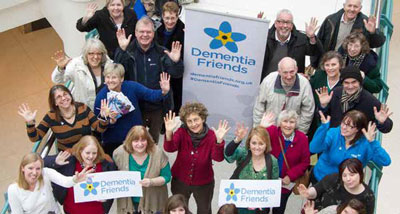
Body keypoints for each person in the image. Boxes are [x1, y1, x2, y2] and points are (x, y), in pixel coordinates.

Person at [115, 16, 184, 144]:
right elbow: (116, 73)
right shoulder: (128, 50)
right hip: (134, 107)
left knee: (152, 143)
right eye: (141, 32)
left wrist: (175, 62)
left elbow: (177, 74)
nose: (145, 35)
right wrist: (122, 51)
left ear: (153, 33)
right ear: (136, 33)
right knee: (134, 142)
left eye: (148, 32)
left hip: (157, 108)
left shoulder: (162, 52)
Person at [163, 102, 230, 214]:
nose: (193, 124)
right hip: (180, 180)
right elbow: (170, 148)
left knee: (204, 210)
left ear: (203, 118)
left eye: (196, 119)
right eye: (189, 121)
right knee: (179, 209)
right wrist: (169, 132)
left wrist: (219, 141)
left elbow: (217, 158)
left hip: (204, 182)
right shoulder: (181, 132)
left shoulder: (212, 135)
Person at [94, 63, 170, 156]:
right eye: (107, 77)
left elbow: (150, 95)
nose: (110, 80)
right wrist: (109, 122)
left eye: (114, 77)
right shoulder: (101, 97)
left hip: (136, 137)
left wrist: (163, 91)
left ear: (121, 78)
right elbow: (97, 125)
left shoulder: (131, 87)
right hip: (113, 141)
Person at [18, 85, 112, 151]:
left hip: (88, 151)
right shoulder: (51, 117)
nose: (63, 98)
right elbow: (36, 138)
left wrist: (104, 117)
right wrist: (30, 123)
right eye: (58, 97)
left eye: (65, 94)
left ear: (70, 95)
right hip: (68, 156)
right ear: (55, 102)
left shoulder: (82, 108)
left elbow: (99, 129)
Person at [310, 110, 391, 183]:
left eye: (349, 126)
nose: (344, 127)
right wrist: (323, 128)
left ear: (358, 129)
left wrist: (372, 142)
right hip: (321, 179)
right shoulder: (334, 133)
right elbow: (313, 148)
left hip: (346, 186)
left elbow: (385, 161)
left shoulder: (366, 144)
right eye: (343, 123)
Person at [43, 135, 116, 214]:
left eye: (94, 153)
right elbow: (42, 162)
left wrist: (106, 197)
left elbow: (112, 187)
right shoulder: (69, 161)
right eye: (87, 153)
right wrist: (56, 162)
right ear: (80, 150)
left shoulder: (106, 165)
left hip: (98, 211)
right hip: (71, 211)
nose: (91, 156)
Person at [259, 110, 310, 214]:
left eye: (291, 122)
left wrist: (290, 176)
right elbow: (255, 140)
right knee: (262, 210)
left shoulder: (302, 138)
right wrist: (261, 127)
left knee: (279, 210)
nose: (288, 125)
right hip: (266, 180)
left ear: (296, 124)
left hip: (285, 185)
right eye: (285, 121)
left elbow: (305, 162)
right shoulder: (271, 131)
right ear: (279, 122)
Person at [8, 153, 93, 214]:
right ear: (22, 168)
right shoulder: (13, 189)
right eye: (30, 168)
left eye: (38, 169)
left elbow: (65, 182)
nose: (34, 173)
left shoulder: (46, 173)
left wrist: (75, 179)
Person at [317, 65, 393, 133]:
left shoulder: (370, 101)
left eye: (354, 82)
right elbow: (321, 117)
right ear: (342, 83)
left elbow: (387, 128)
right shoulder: (335, 93)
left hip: (356, 145)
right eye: (346, 82)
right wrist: (323, 106)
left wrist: (382, 122)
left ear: (360, 82)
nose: (350, 86)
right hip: (334, 141)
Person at [113, 125, 171, 214]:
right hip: (129, 204)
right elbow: (112, 175)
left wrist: (152, 182)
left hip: (152, 203)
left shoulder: (157, 153)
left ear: (148, 140)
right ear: (129, 141)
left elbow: (167, 177)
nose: (140, 144)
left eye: (143, 140)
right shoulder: (119, 153)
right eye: (136, 141)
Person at [312, 0, 386, 67]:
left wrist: (372, 32)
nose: (352, 9)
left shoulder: (365, 23)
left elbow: (377, 43)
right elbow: (319, 43)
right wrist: (315, 64)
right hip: (329, 65)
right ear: (344, 6)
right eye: (349, 6)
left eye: (355, 7)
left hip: (349, 67)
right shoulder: (330, 20)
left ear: (360, 8)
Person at [225, 125, 279, 214]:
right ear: (249, 143)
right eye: (254, 143)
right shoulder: (243, 154)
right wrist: (237, 140)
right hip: (239, 207)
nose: (257, 147)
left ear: (266, 145)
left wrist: (263, 204)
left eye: (261, 143)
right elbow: (228, 155)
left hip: (260, 209)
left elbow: (273, 186)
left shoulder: (272, 161)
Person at [253, 57, 315, 134]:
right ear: (279, 71)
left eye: (292, 72)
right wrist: (259, 131)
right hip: (269, 129)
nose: (289, 76)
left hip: (291, 131)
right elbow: (259, 106)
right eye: (285, 72)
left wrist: (300, 134)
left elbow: (308, 111)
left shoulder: (304, 84)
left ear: (296, 69)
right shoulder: (268, 81)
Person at [258, 9, 322, 80]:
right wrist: (257, 29)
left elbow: (316, 53)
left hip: (291, 85)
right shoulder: (265, 36)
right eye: (282, 22)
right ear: (276, 23)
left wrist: (312, 37)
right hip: (266, 83)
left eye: (288, 22)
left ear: (291, 25)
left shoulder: (301, 39)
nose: (285, 26)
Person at [51, 38, 113, 110]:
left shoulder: (109, 64)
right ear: (86, 54)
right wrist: (60, 68)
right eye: (91, 53)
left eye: (99, 53)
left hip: (106, 108)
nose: (95, 57)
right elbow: (57, 80)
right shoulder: (76, 65)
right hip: (84, 109)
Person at [298, 158, 374, 214]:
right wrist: (308, 193)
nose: (348, 179)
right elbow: (318, 189)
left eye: (352, 175)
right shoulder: (334, 179)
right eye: (344, 175)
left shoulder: (368, 196)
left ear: (360, 174)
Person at [156, 1, 185, 114]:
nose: (170, 21)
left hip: (177, 74)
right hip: (162, 72)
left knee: (176, 101)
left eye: (173, 18)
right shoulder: (158, 31)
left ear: (177, 16)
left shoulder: (184, 32)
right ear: (162, 16)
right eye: (167, 18)